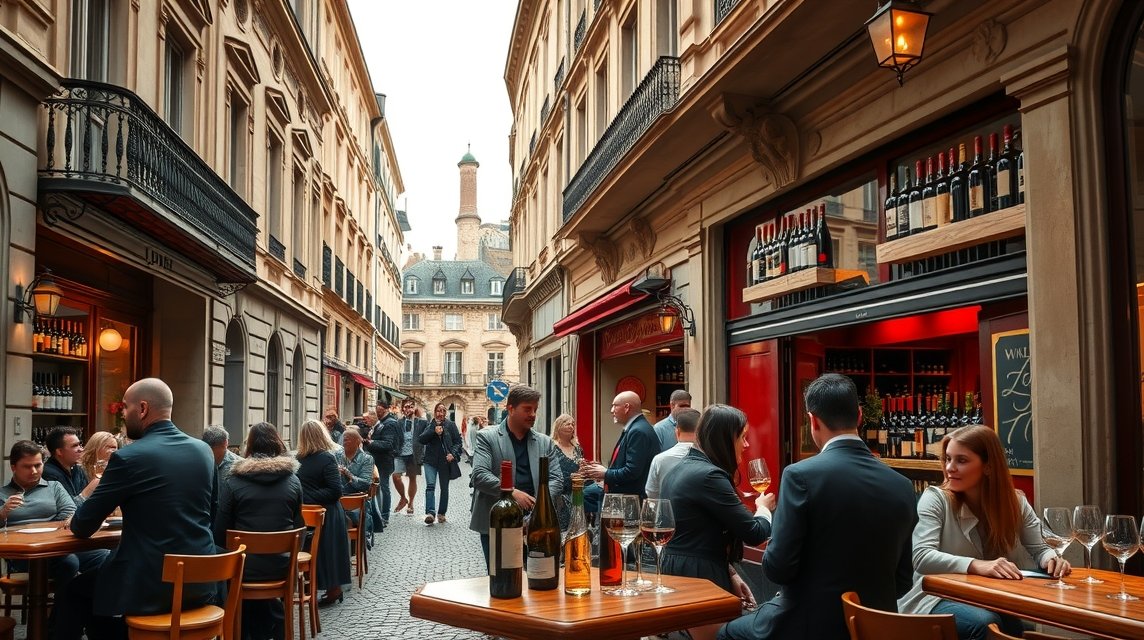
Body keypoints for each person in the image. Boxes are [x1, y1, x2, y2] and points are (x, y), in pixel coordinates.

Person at [718, 373, 918, 640]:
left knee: (726, 633)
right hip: (875, 626)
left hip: (808, 622)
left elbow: (778, 568)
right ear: (859, 416)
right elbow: (903, 580)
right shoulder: (902, 485)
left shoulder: (800, 476)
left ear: (812, 420)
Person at [64, 377, 219, 640]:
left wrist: (74, 516)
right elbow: (212, 512)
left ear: (143, 409)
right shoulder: (203, 450)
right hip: (201, 580)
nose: (123, 414)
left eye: (125, 408)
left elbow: (83, 525)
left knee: (73, 592)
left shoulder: (128, 458)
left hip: (150, 585)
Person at [898, 425, 1068, 640]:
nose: (950, 468)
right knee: (985, 623)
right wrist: (978, 565)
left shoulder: (1015, 502)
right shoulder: (936, 499)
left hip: (993, 598)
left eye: (961, 460)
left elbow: (1041, 547)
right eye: (948, 459)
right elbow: (922, 557)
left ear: (988, 466)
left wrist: (1052, 559)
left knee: (1014, 624)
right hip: (935, 598)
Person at [660, 406, 774, 640]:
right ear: (725, 438)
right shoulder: (709, 475)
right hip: (698, 574)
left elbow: (700, 531)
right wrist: (764, 509)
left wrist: (731, 573)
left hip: (682, 568)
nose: (746, 445)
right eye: (742, 437)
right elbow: (754, 532)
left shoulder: (681, 468)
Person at [214, 422, 303, 640]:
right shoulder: (292, 481)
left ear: (249, 446)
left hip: (242, 568)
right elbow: (299, 526)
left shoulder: (233, 481)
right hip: (281, 566)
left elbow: (219, 532)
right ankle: (272, 625)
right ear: (278, 444)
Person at [0, 441, 108, 596]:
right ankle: (61, 612)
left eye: (38, 465)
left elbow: (70, 513)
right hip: (24, 554)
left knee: (104, 556)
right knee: (69, 562)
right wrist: (3, 512)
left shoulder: (54, 486)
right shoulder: (3, 494)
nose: (34, 471)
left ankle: (89, 608)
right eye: (27, 466)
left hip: (59, 546)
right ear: (13, 467)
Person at [469, 385, 563, 564]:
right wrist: (512, 493)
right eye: (527, 409)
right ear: (510, 409)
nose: (533, 414)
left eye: (535, 409)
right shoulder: (487, 437)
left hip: (537, 525)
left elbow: (556, 479)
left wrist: (539, 506)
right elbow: (479, 475)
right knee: (502, 581)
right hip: (498, 522)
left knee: (538, 580)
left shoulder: (544, 442)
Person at [295, 419, 351, 606]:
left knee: (326, 552)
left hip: (326, 512)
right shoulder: (299, 459)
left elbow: (336, 491)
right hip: (315, 512)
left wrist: (308, 495)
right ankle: (325, 587)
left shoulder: (324, 458)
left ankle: (333, 589)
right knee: (324, 552)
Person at [580, 390, 659, 513]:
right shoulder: (635, 428)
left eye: (615, 405)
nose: (612, 411)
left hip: (629, 503)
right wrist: (601, 469)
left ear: (627, 407)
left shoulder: (638, 431)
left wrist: (606, 473)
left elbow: (632, 472)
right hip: (625, 500)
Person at [419, 402, 462, 525]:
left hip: (445, 461)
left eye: (443, 411)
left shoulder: (451, 425)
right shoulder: (430, 424)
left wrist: (452, 454)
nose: (441, 413)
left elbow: (458, 442)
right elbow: (421, 439)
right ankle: (430, 513)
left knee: (444, 488)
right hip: (430, 461)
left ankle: (441, 513)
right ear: (435, 412)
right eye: (439, 410)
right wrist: (433, 431)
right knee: (430, 486)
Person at [645, 407, 701, 499]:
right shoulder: (709, 458)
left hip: (666, 510)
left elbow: (651, 493)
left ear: (677, 431)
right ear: (700, 431)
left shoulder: (659, 459)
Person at [336, 429, 378, 545]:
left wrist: (348, 474)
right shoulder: (336, 456)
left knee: (348, 516)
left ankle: (348, 547)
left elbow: (365, 484)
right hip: (337, 498)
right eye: (344, 438)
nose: (345, 441)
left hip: (356, 501)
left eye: (348, 438)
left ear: (357, 442)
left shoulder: (366, 459)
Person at [365, 404, 402, 530]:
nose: (377, 412)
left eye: (379, 410)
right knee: (379, 487)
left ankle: (384, 516)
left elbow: (388, 444)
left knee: (383, 488)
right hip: (380, 460)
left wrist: (371, 442)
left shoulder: (389, 423)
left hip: (384, 461)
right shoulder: (381, 423)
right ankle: (381, 514)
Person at [41, 426, 99, 505]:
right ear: (59, 452)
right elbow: (69, 508)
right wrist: (91, 487)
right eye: (75, 446)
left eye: (80, 444)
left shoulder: (77, 469)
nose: (81, 449)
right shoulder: (49, 474)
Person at [550, 413, 587, 531]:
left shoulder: (577, 448)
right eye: (567, 424)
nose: (571, 426)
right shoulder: (552, 447)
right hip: (559, 496)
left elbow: (582, 469)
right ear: (558, 426)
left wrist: (584, 469)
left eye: (572, 424)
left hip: (577, 493)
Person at [391, 398, 426, 515]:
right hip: (400, 454)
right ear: (402, 409)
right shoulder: (398, 422)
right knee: (395, 476)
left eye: (411, 406)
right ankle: (402, 498)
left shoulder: (421, 422)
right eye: (406, 407)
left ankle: (411, 502)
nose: (408, 409)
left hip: (413, 454)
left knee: (412, 478)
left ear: (414, 408)